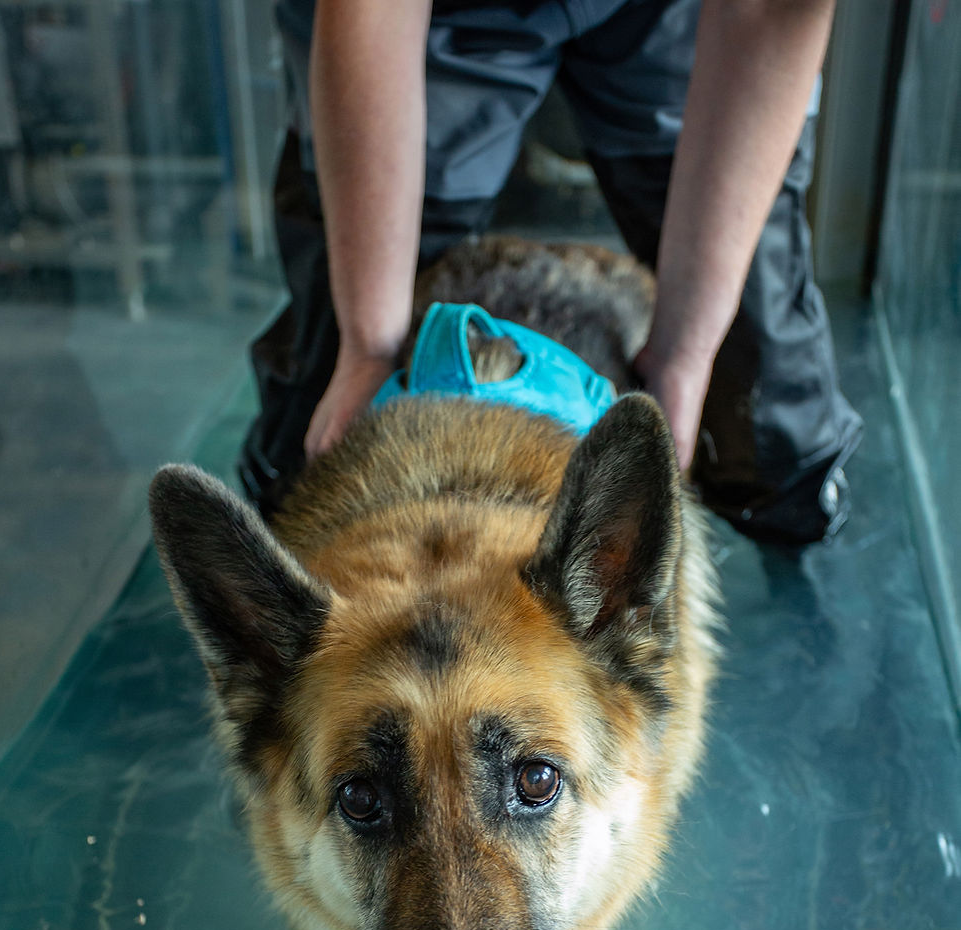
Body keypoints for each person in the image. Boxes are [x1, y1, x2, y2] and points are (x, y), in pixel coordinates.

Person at [239, 0, 863, 546]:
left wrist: (685, 356)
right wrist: (369, 347)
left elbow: (771, 11)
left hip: (677, 15)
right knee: (322, 424)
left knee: (772, 425)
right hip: (432, 17)